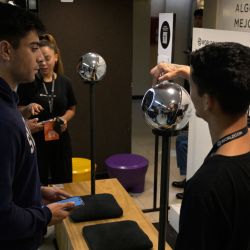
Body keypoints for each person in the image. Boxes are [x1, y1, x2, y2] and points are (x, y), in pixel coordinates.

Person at [151, 42, 250, 249]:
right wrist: (179, 70)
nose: (189, 87)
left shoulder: (206, 188)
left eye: (192, 83)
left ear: (207, 101)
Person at [0, 3, 76, 250]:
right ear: (6, 50)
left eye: (44, 53)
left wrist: (36, 192)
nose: (39, 59)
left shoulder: (9, 106)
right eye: (33, 49)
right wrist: (44, 216)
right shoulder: (4, 121)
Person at [18, 33, 77, 185]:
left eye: (47, 58)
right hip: (36, 139)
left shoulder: (65, 82)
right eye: (39, 59)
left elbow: (72, 108)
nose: (43, 63)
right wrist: (28, 108)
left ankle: (63, 206)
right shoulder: (28, 82)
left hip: (60, 137)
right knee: (38, 180)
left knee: (62, 179)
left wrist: (64, 119)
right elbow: (16, 109)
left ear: (56, 57)